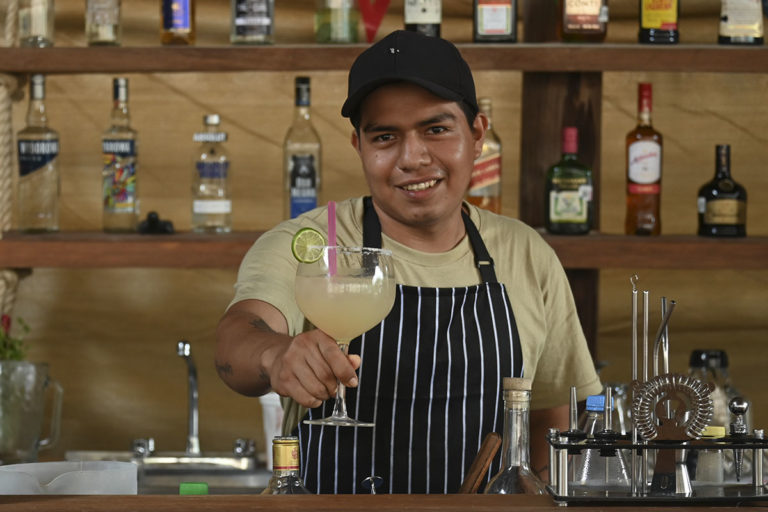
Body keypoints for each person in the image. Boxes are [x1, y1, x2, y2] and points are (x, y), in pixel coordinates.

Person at [216, 29, 602, 494]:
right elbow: (236, 343)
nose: (412, 158)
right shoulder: (311, 242)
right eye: (384, 137)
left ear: (477, 134)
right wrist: (275, 356)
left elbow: (551, 412)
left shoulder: (524, 252)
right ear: (359, 146)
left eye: (436, 130)